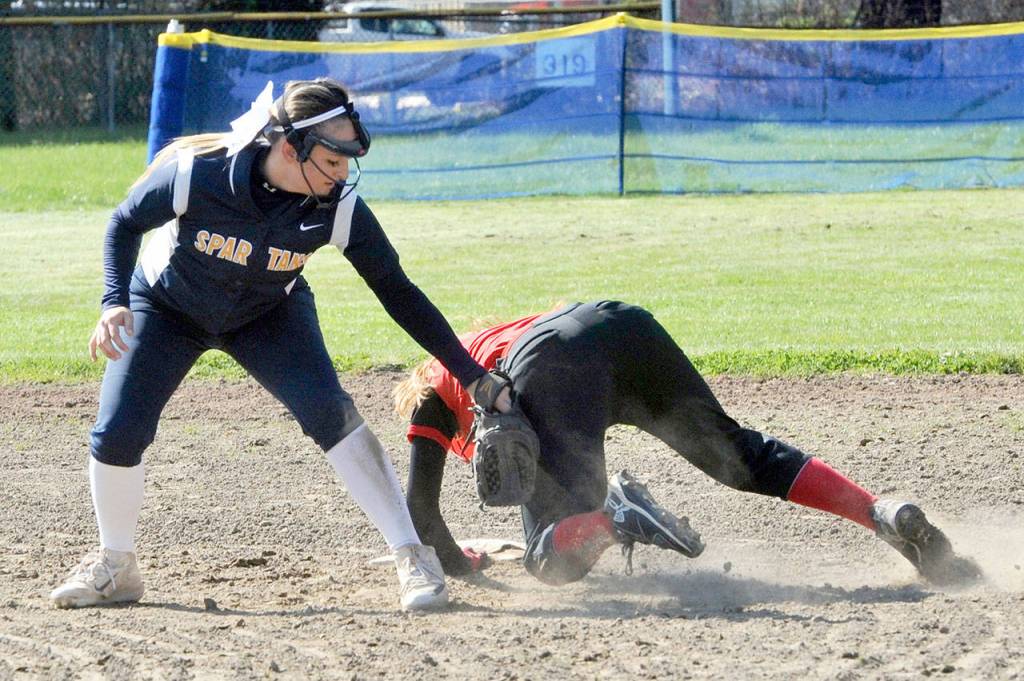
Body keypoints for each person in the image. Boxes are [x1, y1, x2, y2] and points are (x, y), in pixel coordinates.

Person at [49, 77, 510, 612]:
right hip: (168, 307)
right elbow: (125, 222)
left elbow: (397, 292)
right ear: (291, 148)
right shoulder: (201, 175)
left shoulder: (337, 205)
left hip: (267, 312)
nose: (343, 174)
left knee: (332, 415)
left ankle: (413, 556)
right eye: (333, 160)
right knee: (118, 430)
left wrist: (471, 373)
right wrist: (113, 302)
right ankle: (116, 566)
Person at [395, 300, 982, 587]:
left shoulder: (431, 388)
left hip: (550, 367)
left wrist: (462, 566)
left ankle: (620, 516)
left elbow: (421, 510)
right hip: (617, 323)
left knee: (548, 558)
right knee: (740, 455)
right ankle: (880, 514)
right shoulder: (489, 339)